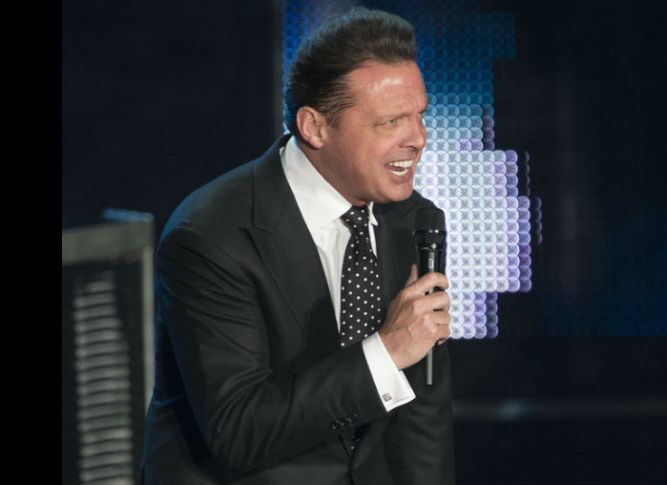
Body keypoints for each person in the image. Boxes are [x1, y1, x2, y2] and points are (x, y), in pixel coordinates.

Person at [142, 7, 454, 485]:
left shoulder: (413, 220)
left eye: (419, 116)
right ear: (315, 127)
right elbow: (239, 430)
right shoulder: (211, 236)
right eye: (391, 121)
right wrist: (387, 351)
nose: (419, 138)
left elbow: (421, 407)